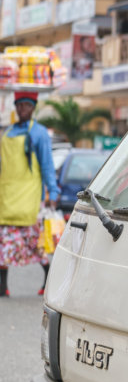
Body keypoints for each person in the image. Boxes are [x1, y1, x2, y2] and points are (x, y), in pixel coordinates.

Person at [0, 92, 59, 297]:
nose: (22, 109)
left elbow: (47, 166)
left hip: (29, 198)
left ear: (33, 107)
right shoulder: (7, 133)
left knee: (34, 244)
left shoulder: (39, 133)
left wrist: (53, 191)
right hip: (6, 197)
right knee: (3, 244)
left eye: (26, 105)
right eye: (19, 105)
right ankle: (2, 287)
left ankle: (49, 279)